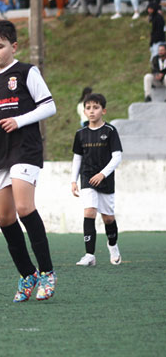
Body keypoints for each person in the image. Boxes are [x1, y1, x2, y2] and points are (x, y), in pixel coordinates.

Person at [0, 20, 57, 302]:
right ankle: (27, 274)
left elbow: (49, 106)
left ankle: (47, 273)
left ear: (14, 46)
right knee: (4, 217)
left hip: (25, 148)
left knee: (24, 207)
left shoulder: (27, 72)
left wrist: (19, 120)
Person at [71, 93, 123, 267]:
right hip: (86, 178)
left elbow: (117, 157)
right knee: (89, 211)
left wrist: (103, 174)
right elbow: (77, 158)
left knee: (108, 218)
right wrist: (73, 180)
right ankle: (89, 255)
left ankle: (113, 246)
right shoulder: (80, 134)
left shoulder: (110, 131)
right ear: (84, 111)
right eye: (88, 108)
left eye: (96, 107)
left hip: (105, 180)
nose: (91, 111)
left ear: (103, 110)